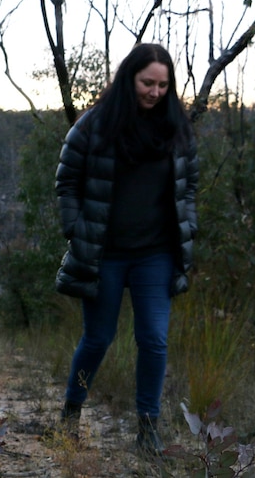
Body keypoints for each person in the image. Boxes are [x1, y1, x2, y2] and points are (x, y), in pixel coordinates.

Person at [54, 43, 198, 454]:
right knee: (98, 338)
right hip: (105, 254)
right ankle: (70, 415)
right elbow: (67, 182)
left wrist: (189, 225)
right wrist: (75, 229)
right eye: (147, 83)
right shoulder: (94, 125)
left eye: (163, 85)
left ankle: (148, 428)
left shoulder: (177, 128)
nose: (155, 92)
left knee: (154, 339)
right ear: (128, 79)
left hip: (156, 253)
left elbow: (190, 187)